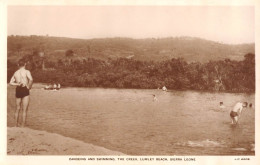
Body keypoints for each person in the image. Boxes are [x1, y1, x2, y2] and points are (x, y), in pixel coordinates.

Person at [10, 59, 33, 127]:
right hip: (25, 89)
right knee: (24, 109)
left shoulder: (16, 72)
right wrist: (29, 87)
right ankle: (23, 125)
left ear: (18, 65)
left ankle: (15, 125)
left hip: (18, 89)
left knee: (17, 108)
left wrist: (17, 84)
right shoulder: (27, 71)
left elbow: (11, 82)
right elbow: (31, 79)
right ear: (25, 64)